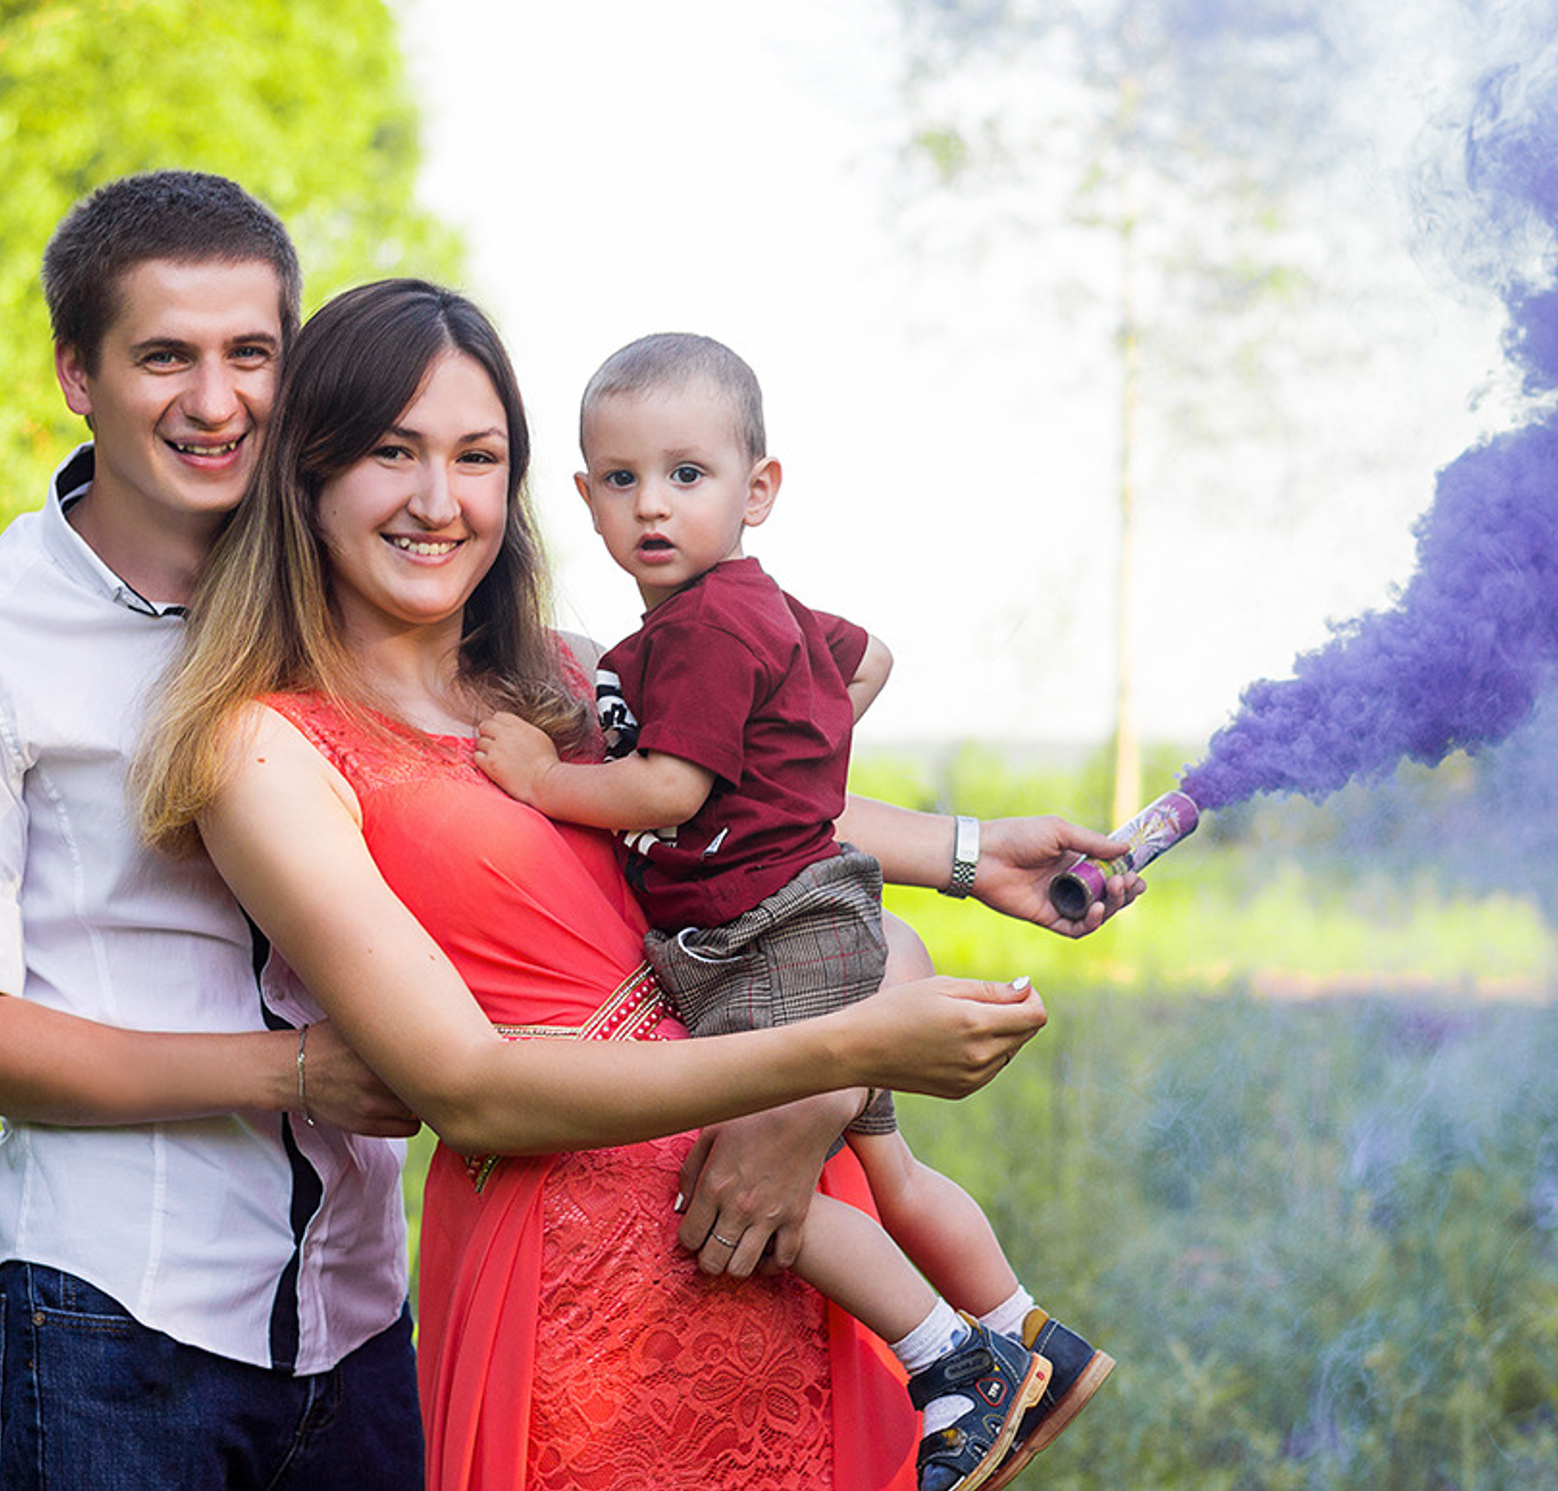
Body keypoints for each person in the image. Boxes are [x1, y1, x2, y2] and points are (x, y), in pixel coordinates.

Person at [133, 279, 1120, 1491]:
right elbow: (476, 1091)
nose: (439, 501)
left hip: (788, 1229)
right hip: (576, 1272)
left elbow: (735, 812)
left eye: (478, 456)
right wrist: (839, 1054)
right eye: (393, 452)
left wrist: (969, 856)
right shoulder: (266, 745)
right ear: (309, 474)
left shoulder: (564, 677)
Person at [476, 332, 1113, 1491]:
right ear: (582, 497)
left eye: (688, 475)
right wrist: (790, 762)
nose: (652, 506)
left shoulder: (706, 631)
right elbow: (864, 662)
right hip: (806, 913)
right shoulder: (749, 612)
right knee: (882, 1167)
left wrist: (539, 782)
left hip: (767, 936)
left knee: (766, 1180)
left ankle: (950, 1367)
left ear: (757, 488)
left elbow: (665, 791)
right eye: (620, 481)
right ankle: (1029, 1333)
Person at [0, 172, 426, 1491]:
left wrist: (965, 848)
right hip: (105, 1319)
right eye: (164, 356)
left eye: (253, 353)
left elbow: (588, 757)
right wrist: (293, 1075)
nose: (216, 399)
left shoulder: (355, 591)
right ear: (77, 371)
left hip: (362, 1320)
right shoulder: (9, 628)